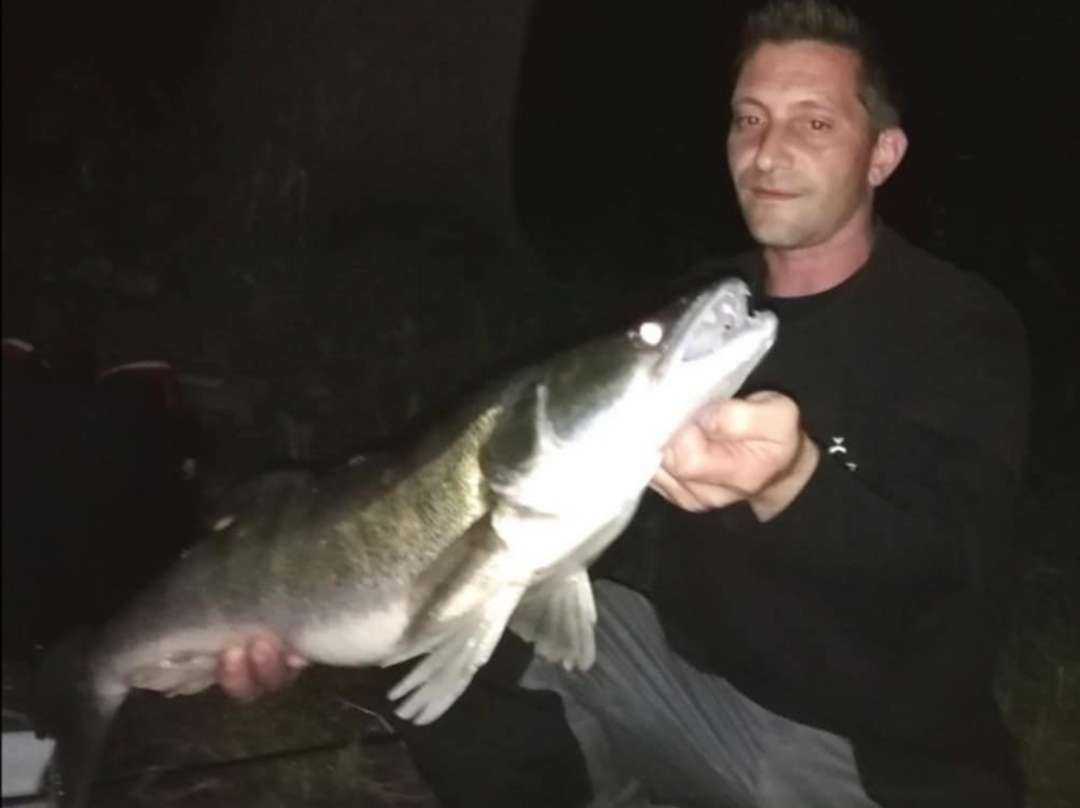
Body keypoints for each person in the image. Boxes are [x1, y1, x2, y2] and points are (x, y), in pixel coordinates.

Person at [215, 2, 1030, 806]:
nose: (768, 151)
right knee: (469, 624)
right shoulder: (703, 308)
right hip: (691, 696)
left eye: (813, 123)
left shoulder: (955, 325)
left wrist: (792, 485)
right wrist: (307, 604)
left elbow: (945, 568)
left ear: (882, 154)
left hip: (865, 759)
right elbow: (573, 512)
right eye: (749, 118)